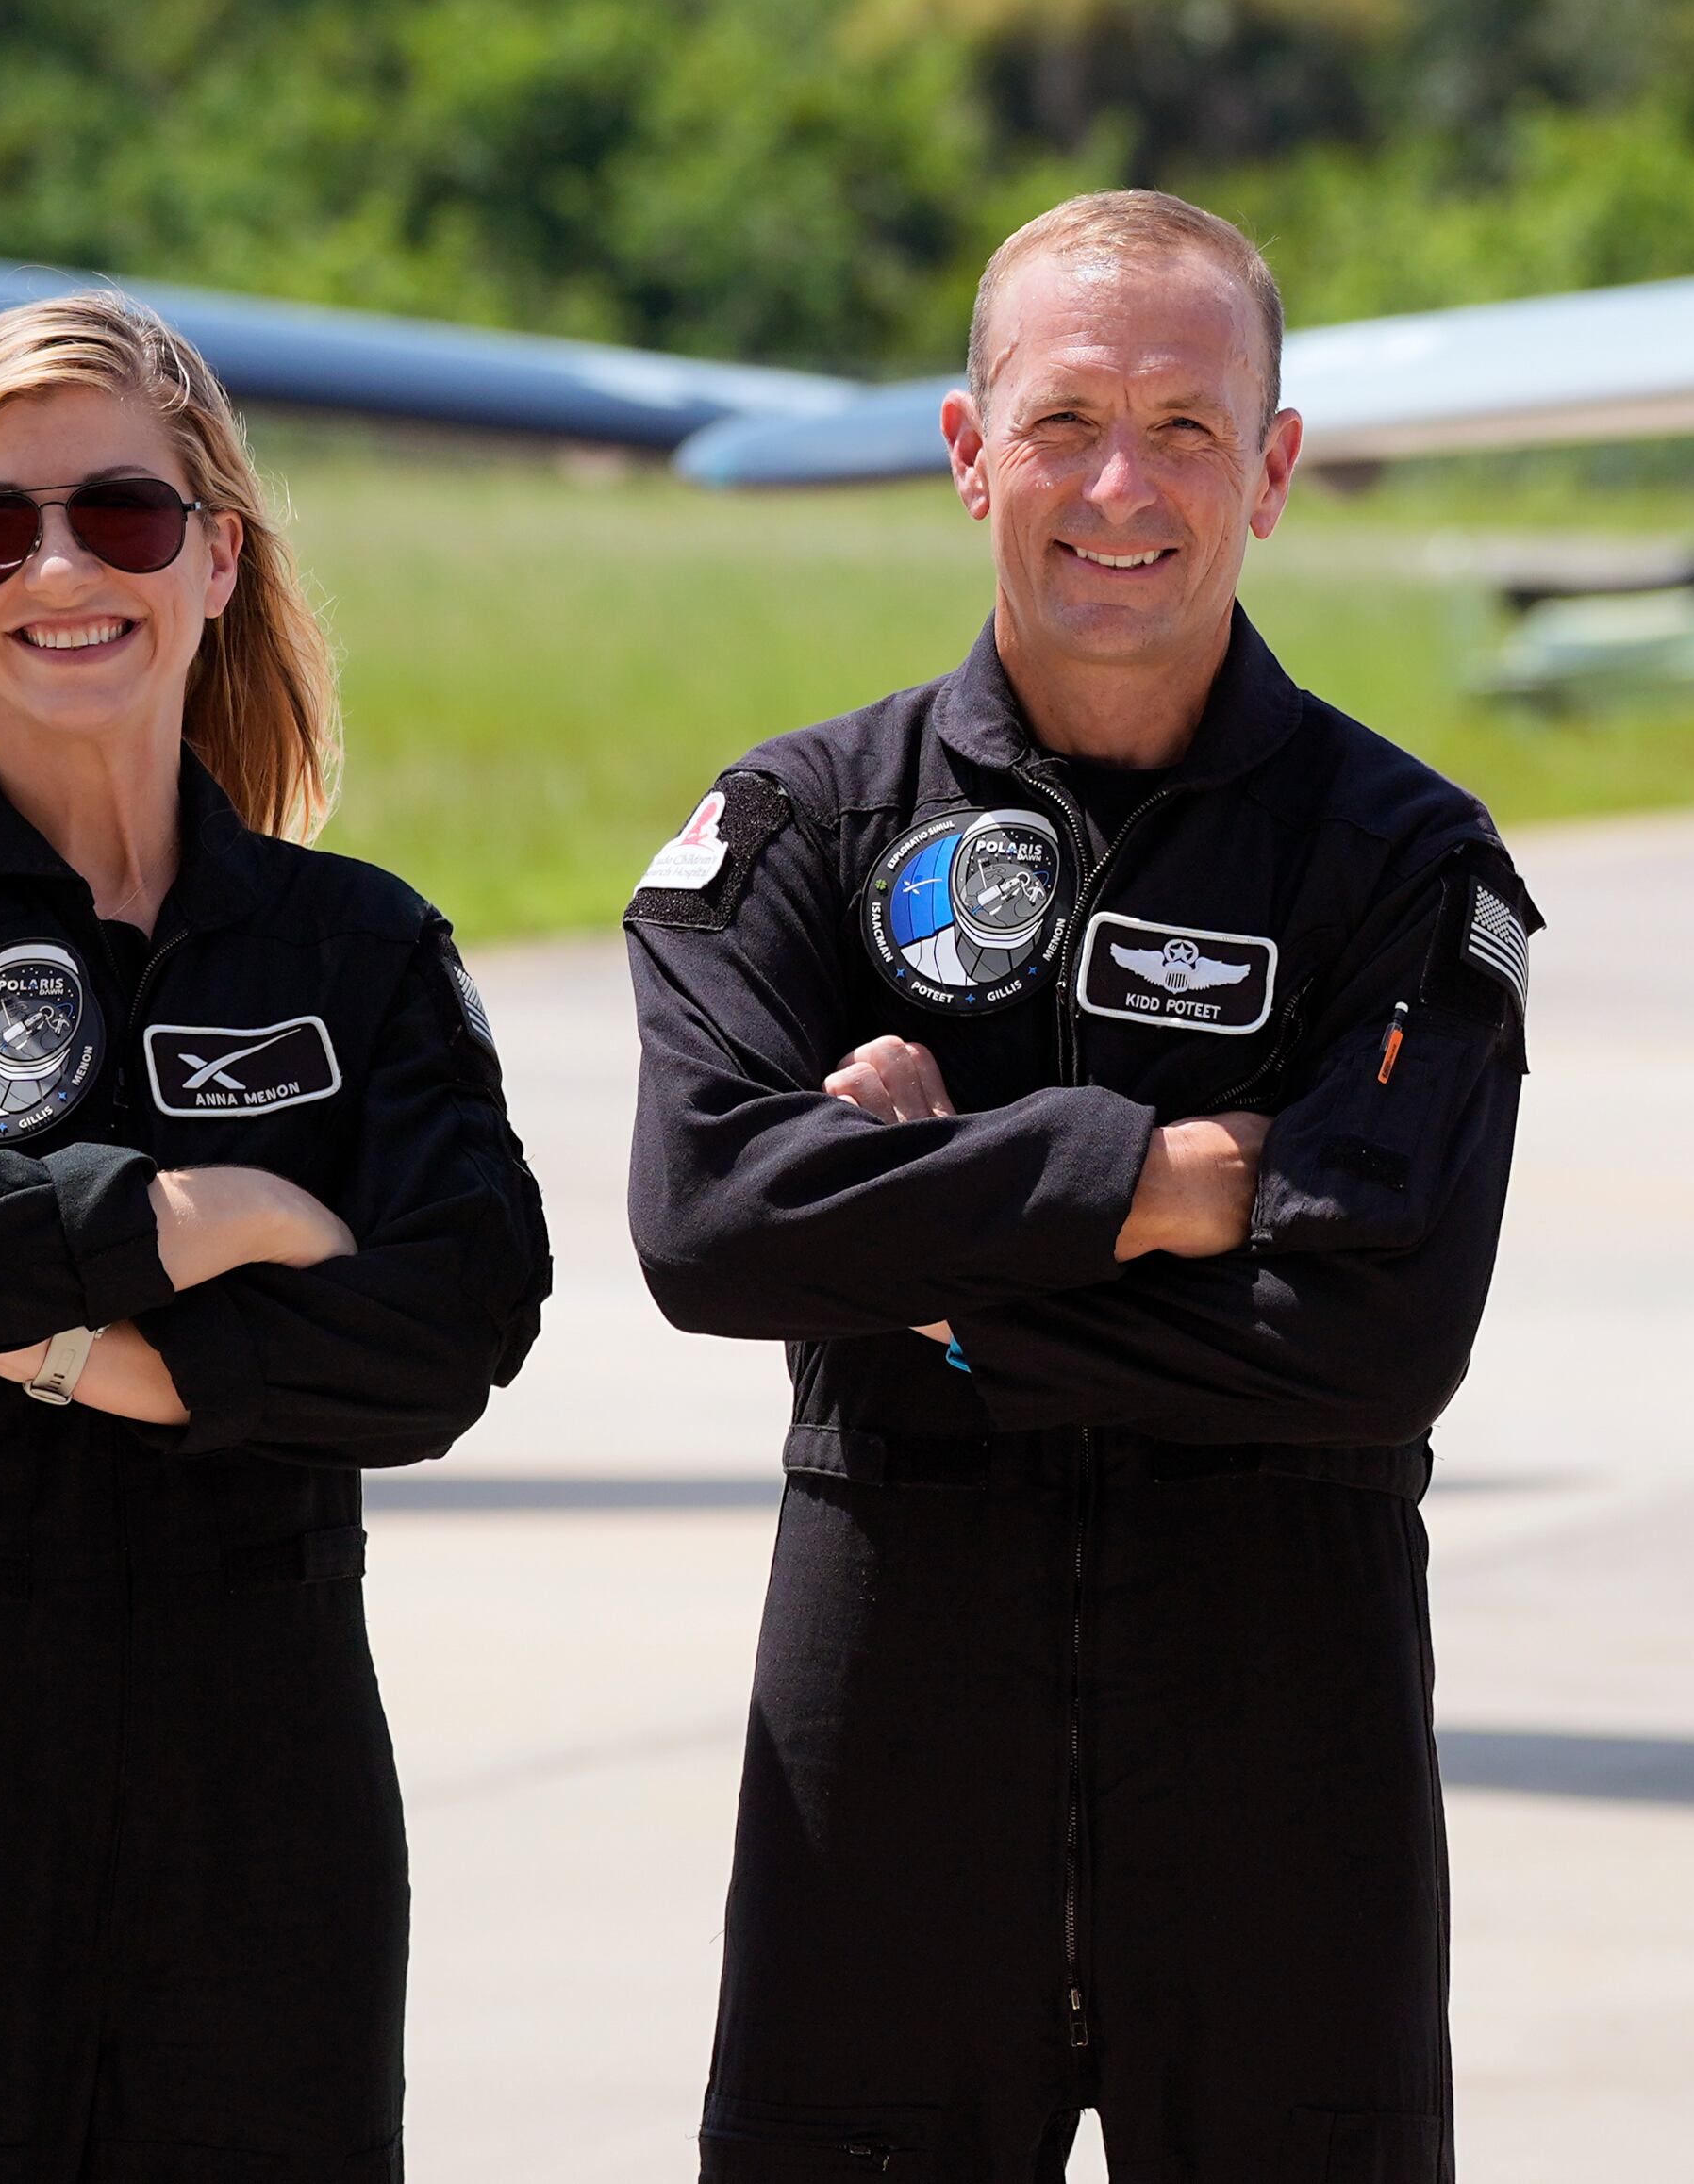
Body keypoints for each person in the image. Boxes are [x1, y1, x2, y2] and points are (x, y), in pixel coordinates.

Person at [626, 190, 1535, 2181]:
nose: (1120, 484)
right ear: (969, 453)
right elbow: (705, 1226)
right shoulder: (799, 827)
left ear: (1273, 472)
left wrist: (932, 1253)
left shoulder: (1404, 865)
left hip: (1282, 1775)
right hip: (882, 1767)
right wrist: (1155, 1176)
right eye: (1061, 422)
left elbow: (1373, 1340)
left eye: (1188, 428)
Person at [0, 290, 552, 2181]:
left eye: (124, 516)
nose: (62, 568)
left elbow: (456, 1323)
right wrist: (209, 1210)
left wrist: (78, 1346)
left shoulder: (360, 950)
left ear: (217, 555)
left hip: (265, 1791)